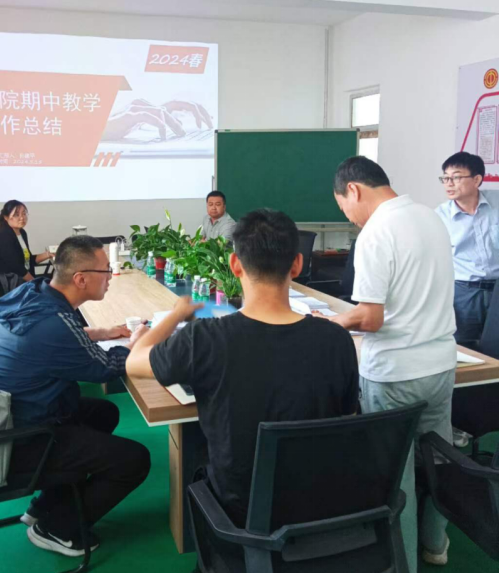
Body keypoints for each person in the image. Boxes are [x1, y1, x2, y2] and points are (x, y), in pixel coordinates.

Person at [126, 208, 359, 528]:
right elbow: (347, 417)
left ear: (235, 264)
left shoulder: (204, 338)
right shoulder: (337, 339)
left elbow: (134, 363)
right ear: (297, 264)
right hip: (320, 500)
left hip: (239, 508)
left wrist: (177, 314)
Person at [323, 156, 456, 571]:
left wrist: (332, 323)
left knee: (394, 476)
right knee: (438, 462)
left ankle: (403, 564)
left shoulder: (376, 232)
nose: (348, 217)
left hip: (396, 373)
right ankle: (436, 544)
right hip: (440, 364)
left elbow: (370, 318)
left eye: (343, 207)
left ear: (354, 190)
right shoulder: (431, 217)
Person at [0, 235, 151, 557]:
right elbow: (107, 367)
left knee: (103, 413)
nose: (111, 276)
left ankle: (47, 503)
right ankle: (56, 529)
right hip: (19, 439)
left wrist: (103, 332)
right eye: (106, 270)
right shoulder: (53, 323)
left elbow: (57, 337)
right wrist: (139, 341)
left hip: (4, 415)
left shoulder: (35, 294)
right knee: (134, 459)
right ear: (81, 279)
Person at [435, 152, 499, 348]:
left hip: (497, 288)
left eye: (456, 177)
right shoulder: (440, 216)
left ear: (477, 180)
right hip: (464, 292)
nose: (449, 184)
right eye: (445, 178)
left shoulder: (497, 202)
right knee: (464, 347)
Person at [0, 200, 54, 287]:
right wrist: (35, 283)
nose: (22, 218)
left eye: (24, 214)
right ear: (6, 217)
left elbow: (28, 260)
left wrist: (48, 254)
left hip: (21, 280)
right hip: (9, 284)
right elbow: (17, 267)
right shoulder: (4, 236)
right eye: (16, 215)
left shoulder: (22, 233)